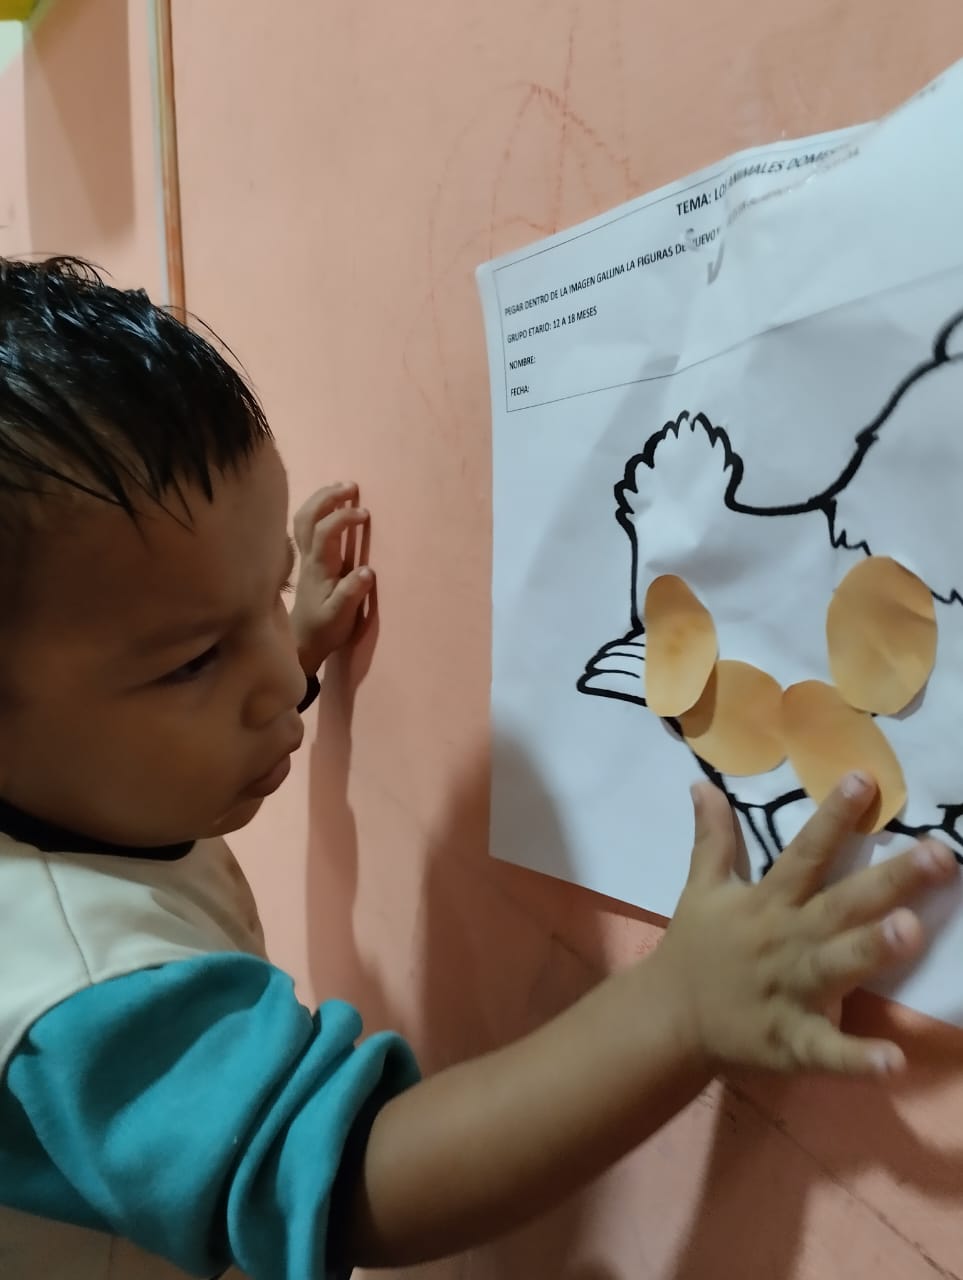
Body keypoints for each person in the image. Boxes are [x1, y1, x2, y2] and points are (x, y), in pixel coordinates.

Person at [0, 256, 955, 1280]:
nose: (275, 678)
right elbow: (349, 1183)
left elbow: (208, 693)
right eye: (195, 659)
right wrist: (679, 1008)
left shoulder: (74, 774)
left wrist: (291, 641)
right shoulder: (79, 997)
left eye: (267, 595)